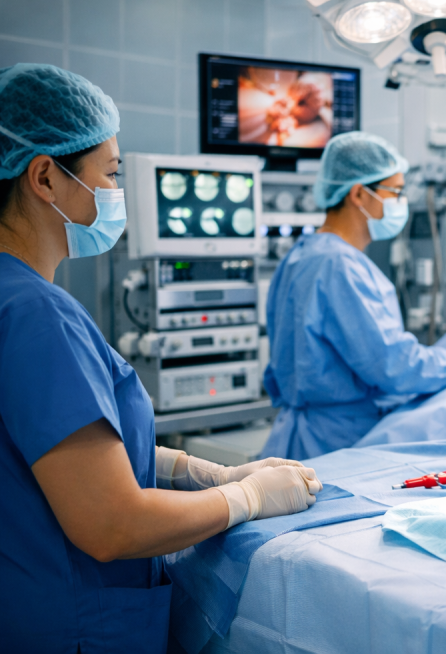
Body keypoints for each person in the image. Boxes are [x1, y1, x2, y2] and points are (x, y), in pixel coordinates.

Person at [0, 64, 323, 654]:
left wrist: (205, 472)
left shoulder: (16, 299)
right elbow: (110, 523)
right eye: (110, 173)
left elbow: (60, 453)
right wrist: (244, 500)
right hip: (72, 626)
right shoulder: (35, 315)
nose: (114, 192)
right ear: (45, 177)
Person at [260, 131, 446, 459]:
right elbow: (391, 365)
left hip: (295, 435)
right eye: (395, 192)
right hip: (336, 443)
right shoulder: (340, 266)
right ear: (358, 194)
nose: (401, 202)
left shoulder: (300, 255)